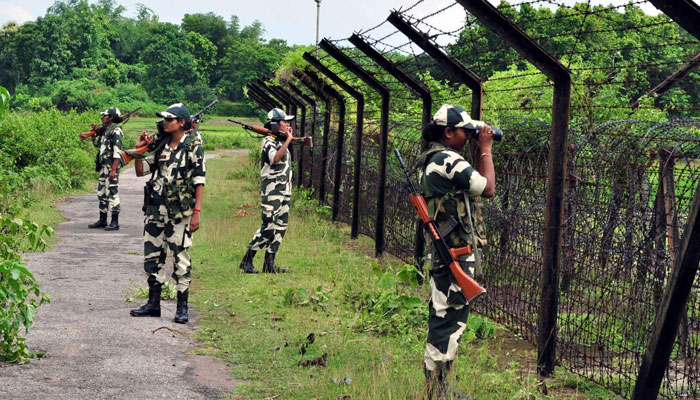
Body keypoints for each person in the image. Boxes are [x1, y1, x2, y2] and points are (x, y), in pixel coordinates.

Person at [414, 104, 495, 399]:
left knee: (444, 317)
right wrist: (485, 149)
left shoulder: (433, 158)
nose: (470, 135)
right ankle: (437, 391)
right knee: (448, 320)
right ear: (448, 132)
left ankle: (438, 388)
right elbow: (486, 188)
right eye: (465, 130)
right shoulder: (448, 158)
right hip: (454, 253)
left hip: (448, 251)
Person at [130, 103, 205, 324]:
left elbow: (199, 180)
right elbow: (140, 171)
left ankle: (182, 308)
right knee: (152, 257)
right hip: (155, 211)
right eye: (164, 119)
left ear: (182, 122)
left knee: (181, 259)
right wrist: (138, 150)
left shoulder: (193, 147)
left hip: (179, 214)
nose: (165, 122)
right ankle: (153, 304)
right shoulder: (161, 145)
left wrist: (197, 212)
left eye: (170, 119)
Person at [239, 108, 297, 274]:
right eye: (284, 121)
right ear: (276, 124)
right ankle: (247, 260)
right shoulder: (268, 141)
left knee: (280, 227)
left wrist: (287, 139)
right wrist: (288, 140)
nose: (287, 124)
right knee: (268, 226)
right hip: (272, 191)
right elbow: (275, 158)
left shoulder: (280, 140)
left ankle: (269, 263)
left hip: (284, 190)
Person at [84, 107, 123, 231]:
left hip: (111, 166)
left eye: (105, 116)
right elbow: (97, 144)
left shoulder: (116, 131)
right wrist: (93, 133)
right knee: (102, 193)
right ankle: (102, 220)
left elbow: (117, 151)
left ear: (111, 117)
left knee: (112, 192)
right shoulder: (106, 130)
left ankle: (115, 222)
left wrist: (113, 169)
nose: (102, 117)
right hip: (103, 166)